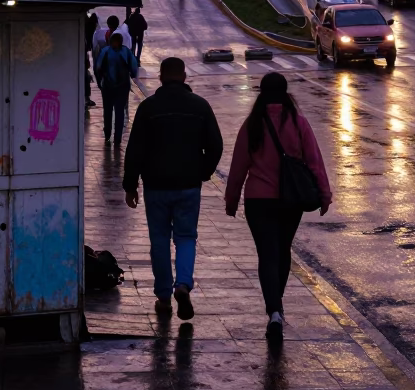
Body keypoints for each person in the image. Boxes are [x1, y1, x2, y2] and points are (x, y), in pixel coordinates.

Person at [225, 73, 331, 341]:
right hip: (290, 200)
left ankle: (274, 309)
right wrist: (324, 194)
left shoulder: (252, 124)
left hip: (258, 200)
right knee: (283, 251)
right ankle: (276, 309)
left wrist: (232, 198)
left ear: (261, 93)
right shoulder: (298, 123)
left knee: (267, 254)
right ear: (285, 93)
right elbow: (315, 161)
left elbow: (239, 166)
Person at [123, 57, 223, 319]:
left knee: (159, 239)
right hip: (188, 185)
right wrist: (202, 172)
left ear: (160, 77)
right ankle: (183, 284)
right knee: (186, 237)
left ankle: (164, 297)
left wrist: (130, 185)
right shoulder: (200, 106)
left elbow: (135, 150)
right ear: (185, 77)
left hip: (155, 186)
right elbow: (216, 145)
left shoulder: (148, 108)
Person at [95, 32, 139, 147]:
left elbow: (98, 67)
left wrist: (100, 81)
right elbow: (134, 68)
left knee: (109, 111)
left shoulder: (105, 51)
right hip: (121, 86)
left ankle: (110, 135)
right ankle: (115, 137)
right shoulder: (126, 52)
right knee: (118, 112)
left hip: (109, 87)